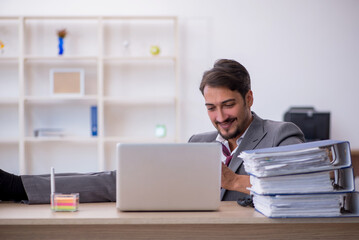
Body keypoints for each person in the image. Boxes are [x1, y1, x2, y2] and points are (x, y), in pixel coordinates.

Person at [0, 59, 304, 204]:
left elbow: (303, 190)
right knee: (119, 179)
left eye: (228, 105)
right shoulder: (198, 143)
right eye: (211, 108)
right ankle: (16, 187)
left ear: (248, 98)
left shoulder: (281, 134)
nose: (220, 117)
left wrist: (235, 180)